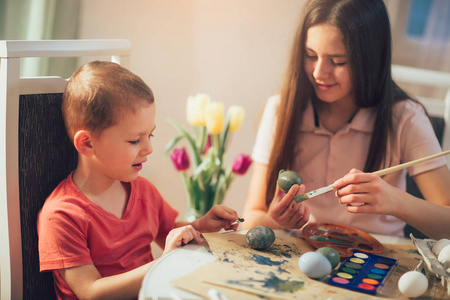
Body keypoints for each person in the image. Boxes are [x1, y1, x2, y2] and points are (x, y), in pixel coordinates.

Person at [243, 0, 450, 237]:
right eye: (311, 55)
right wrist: (273, 220)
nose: (319, 73)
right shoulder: (281, 109)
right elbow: (250, 217)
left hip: (377, 259)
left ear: (370, 59)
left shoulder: (405, 118)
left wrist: (396, 201)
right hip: (297, 255)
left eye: (338, 61)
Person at [37, 61, 239, 300]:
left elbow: (170, 235)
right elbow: (91, 292)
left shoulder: (143, 191)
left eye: (150, 135)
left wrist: (203, 226)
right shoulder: (61, 215)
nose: (149, 149)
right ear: (87, 144)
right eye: (135, 140)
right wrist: (164, 263)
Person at [333, 169, 450, 240]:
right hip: (318, 239)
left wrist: (396, 200)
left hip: (386, 247)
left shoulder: (408, 127)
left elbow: (447, 226)